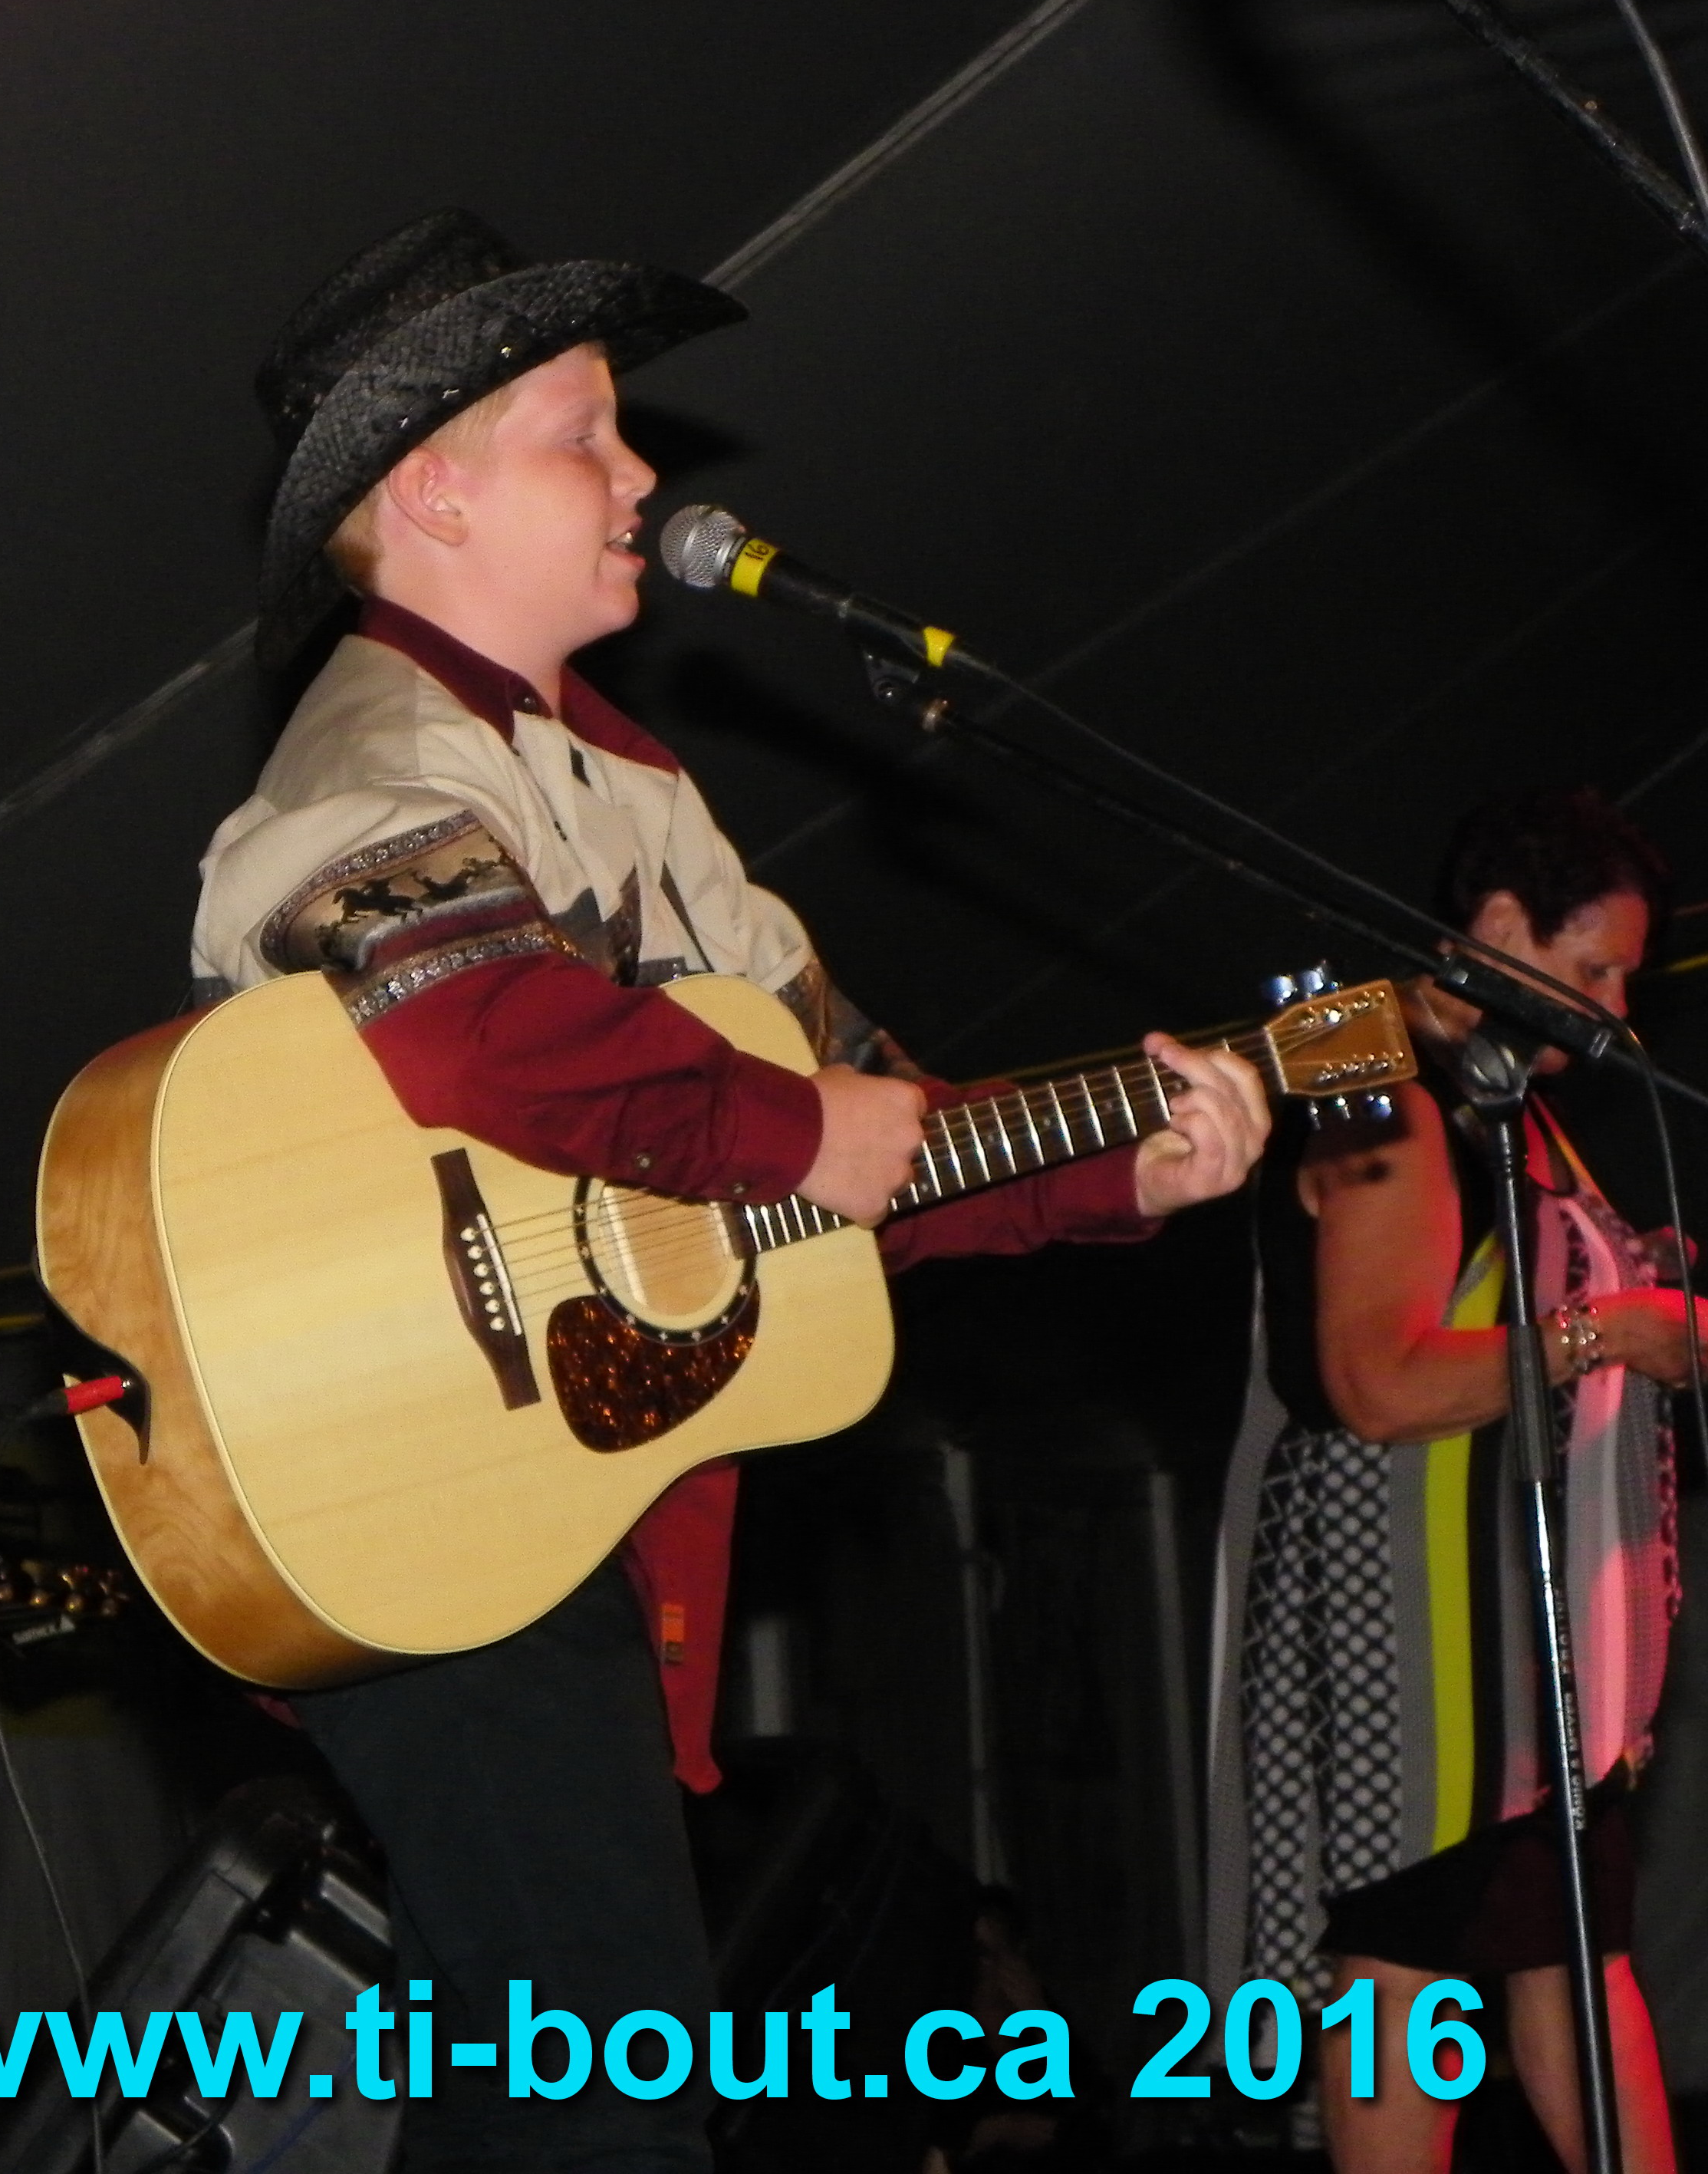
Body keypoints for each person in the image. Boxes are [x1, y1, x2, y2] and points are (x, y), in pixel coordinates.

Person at [192, 208, 1275, 2172]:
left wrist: (1117, 1157)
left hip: (557, 1529)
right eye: (583, 436)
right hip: (423, 1502)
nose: (641, 476)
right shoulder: (373, 752)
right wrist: (786, 1133)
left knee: (554, 2093)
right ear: (431, 492)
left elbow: (865, 1127)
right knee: (597, 2097)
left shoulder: (637, 794)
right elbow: (480, 1026)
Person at [1204, 789, 1708, 2174]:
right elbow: (1380, 1381)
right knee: (1406, 1970)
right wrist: (1620, 1329)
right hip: (1418, 1658)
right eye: (1594, 968)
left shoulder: (1515, 1108)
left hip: (1533, 1653)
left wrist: (1692, 1325)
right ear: (1499, 926)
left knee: (1570, 1965)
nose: (1615, 1009)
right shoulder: (1376, 1074)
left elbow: (1524, 1310)